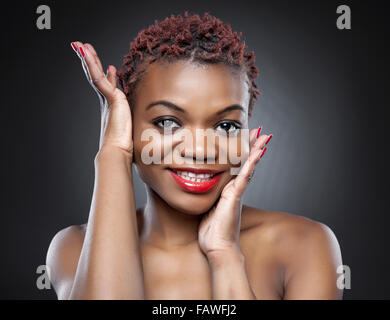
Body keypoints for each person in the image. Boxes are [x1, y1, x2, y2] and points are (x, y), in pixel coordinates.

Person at [46, 11, 343, 300]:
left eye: (226, 126)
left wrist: (225, 255)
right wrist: (113, 153)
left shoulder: (304, 244)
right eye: (167, 123)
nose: (200, 150)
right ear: (130, 128)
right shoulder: (74, 248)